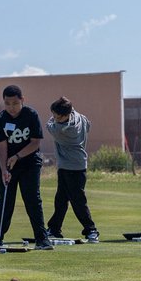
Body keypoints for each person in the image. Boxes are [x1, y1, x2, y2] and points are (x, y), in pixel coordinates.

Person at [0, 85, 51, 249]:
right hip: (8, 164)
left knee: (32, 199)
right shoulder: (0, 119)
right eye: (7, 103)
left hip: (29, 163)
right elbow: (1, 146)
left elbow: (35, 142)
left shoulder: (31, 115)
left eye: (15, 103)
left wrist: (17, 156)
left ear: (22, 100)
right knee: (5, 201)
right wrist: (4, 169)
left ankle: (42, 239)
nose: (11, 107)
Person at [45, 96, 99, 243]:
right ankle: (54, 229)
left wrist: (54, 119)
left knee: (77, 201)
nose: (55, 119)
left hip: (72, 167)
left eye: (58, 117)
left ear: (66, 115)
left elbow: (48, 126)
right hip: (70, 165)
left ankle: (91, 229)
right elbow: (88, 125)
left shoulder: (62, 129)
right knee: (61, 199)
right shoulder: (79, 117)